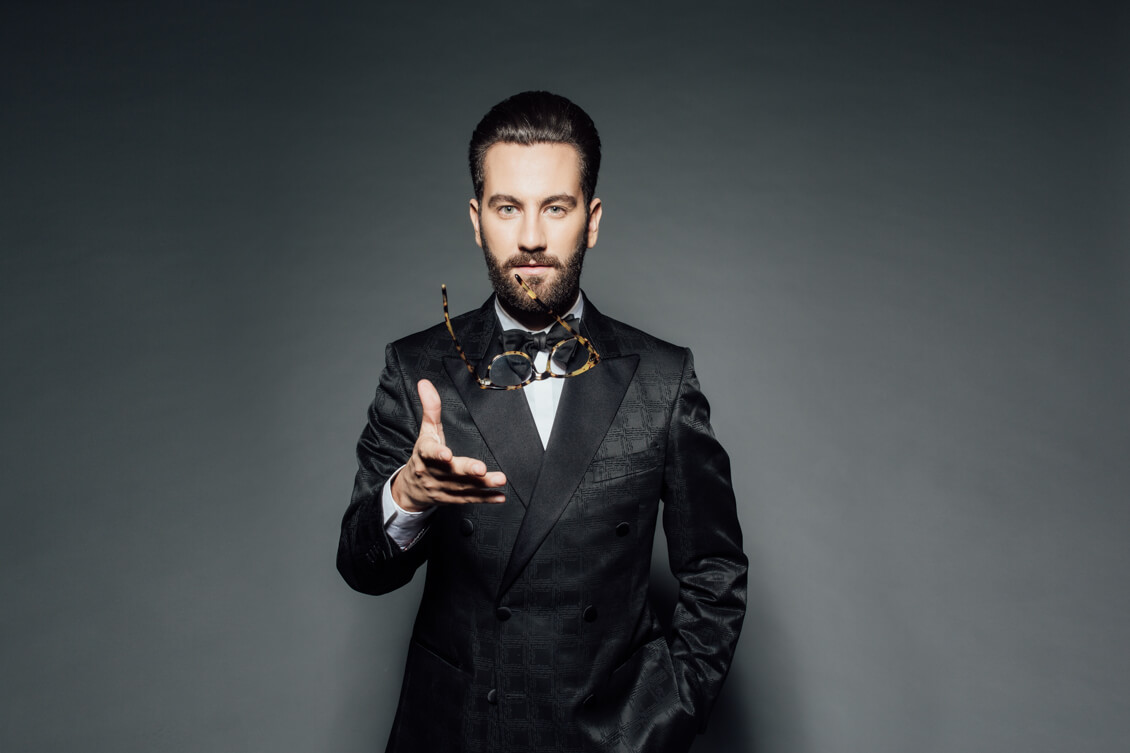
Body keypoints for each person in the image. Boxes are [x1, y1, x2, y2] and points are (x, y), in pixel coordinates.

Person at [337, 91, 747, 753]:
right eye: (508, 208)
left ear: (592, 220)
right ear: (478, 221)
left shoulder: (662, 380)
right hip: (457, 732)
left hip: (608, 737)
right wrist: (406, 496)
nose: (531, 237)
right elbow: (361, 566)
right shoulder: (418, 369)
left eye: (555, 207)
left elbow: (715, 569)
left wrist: (671, 708)